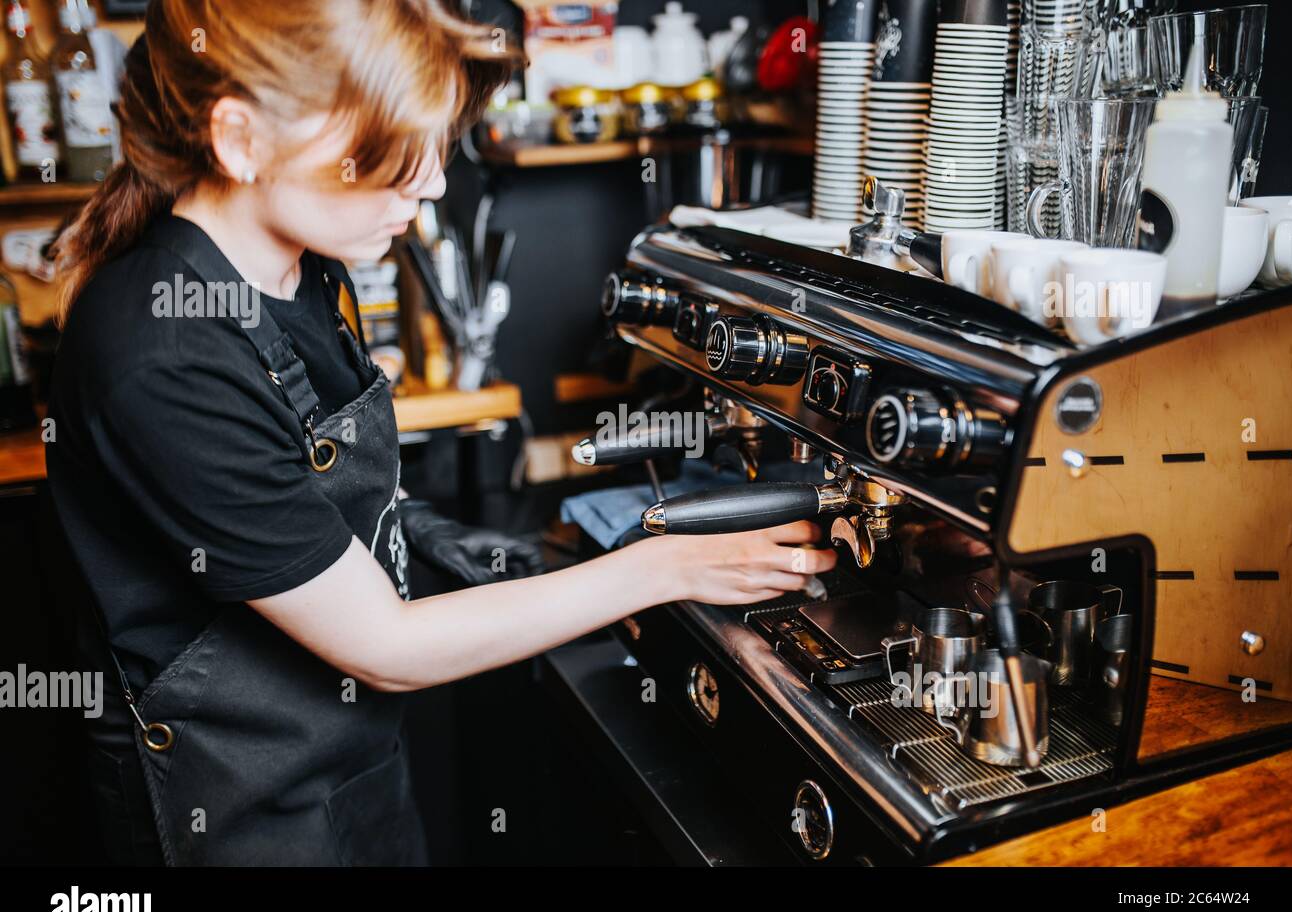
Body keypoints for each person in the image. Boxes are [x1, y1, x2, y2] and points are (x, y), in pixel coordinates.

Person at [46, 0, 836, 866]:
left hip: (348, 773)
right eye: (389, 156)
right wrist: (663, 566)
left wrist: (527, 557)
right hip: (220, 815)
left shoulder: (304, 270)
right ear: (241, 141)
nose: (428, 184)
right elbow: (385, 646)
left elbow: (326, 512)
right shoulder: (162, 352)